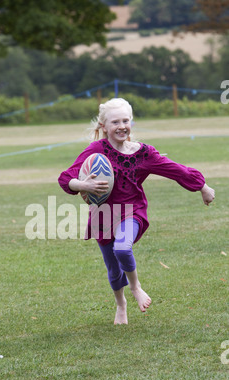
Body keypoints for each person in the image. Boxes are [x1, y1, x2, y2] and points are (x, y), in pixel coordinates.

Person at [58, 98, 215, 325]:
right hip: (103, 216)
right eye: (115, 122)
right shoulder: (96, 151)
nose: (121, 126)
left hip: (133, 211)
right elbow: (65, 178)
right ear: (104, 127)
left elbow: (175, 170)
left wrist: (202, 186)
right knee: (113, 271)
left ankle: (136, 286)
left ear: (131, 122)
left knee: (123, 247)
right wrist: (83, 185)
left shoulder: (143, 153)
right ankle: (121, 305)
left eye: (125, 120)